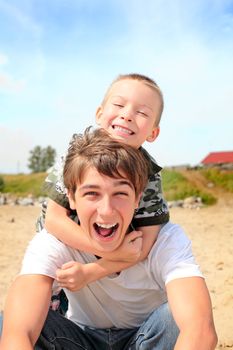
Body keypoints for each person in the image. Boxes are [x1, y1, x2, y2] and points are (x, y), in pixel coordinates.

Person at [0, 127, 217, 349]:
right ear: (71, 197)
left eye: (120, 193)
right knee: (12, 320)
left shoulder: (165, 240)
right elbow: (19, 334)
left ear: (137, 198)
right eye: (92, 193)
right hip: (79, 341)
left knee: (178, 317)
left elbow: (200, 330)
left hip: (147, 340)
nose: (106, 211)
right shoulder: (54, 242)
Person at [38, 73, 170, 292]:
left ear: (153, 133)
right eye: (118, 104)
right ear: (99, 114)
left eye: (142, 113)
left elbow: (145, 243)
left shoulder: (150, 173)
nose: (127, 115)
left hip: (113, 242)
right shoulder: (77, 154)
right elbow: (53, 219)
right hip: (66, 240)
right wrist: (112, 253)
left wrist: (93, 270)